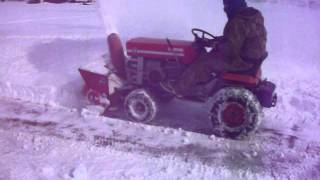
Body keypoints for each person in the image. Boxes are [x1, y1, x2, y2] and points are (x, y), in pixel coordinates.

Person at [161, 0, 267, 97]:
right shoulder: (253, 16)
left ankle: (178, 88)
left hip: (240, 61)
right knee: (212, 55)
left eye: (226, 5)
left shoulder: (237, 22)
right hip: (252, 57)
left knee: (203, 62)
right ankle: (203, 82)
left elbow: (230, 48)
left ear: (233, 5)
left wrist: (214, 45)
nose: (225, 8)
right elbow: (236, 38)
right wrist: (212, 41)